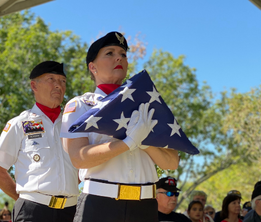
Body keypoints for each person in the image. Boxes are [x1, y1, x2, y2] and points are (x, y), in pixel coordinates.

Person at [60, 31, 180, 222]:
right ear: (92, 67)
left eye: (123, 54)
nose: (119, 57)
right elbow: (78, 158)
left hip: (145, 207)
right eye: (109, 53)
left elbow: (171, 162)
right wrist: (128, 142)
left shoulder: (147, 105)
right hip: (100, 205)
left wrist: (143, 143)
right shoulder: (81, 105)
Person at [0, 61, 79, 222]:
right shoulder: (19, 123)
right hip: (33, 212)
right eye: (51, 79)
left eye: (62, 81)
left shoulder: (73, 124)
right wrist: (25, 197)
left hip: (71, 211)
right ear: (34, 86)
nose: (58, 85)